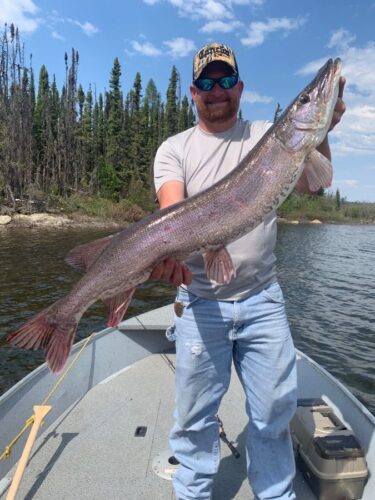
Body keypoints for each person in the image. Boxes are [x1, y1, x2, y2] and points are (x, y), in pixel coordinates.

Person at [151, 42, 346, 500]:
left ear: (239, 87)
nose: (215, 90)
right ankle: (192, 493)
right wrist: (167, 255)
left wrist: (324, 128)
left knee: (273, 416)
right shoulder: (174, 149)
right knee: (195, 419)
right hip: (201, 302)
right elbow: (172, 213)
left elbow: (316, 185)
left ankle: (276, 494)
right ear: (193, 92)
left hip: (264, 301)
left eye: (224, 81)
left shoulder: (268, 135)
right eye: (206, 83)